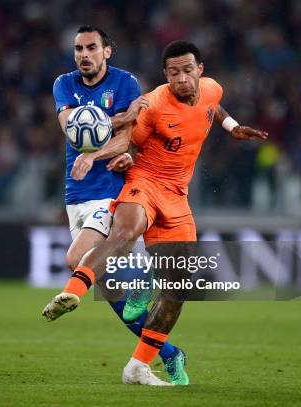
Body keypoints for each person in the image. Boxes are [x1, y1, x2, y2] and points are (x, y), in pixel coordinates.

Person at [63, 40, 268, 385]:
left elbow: (213, 106)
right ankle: (77, 291)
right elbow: (131, 139)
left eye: (188, 70)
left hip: (178, 195)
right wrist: (122, 156)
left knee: (178, 288)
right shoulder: (156, 104)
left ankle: (138, 366)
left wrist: (232, 127)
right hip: (145, 182)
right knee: (125, 232)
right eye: (174, 73)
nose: (182, 79)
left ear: (200, 70)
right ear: (165, 75)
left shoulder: (211, 88)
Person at [41, 26, 188, 385]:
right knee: (111, 294)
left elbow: (129, 134)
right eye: (79, 48)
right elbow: (72, 128)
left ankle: (142, 280)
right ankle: (168, 354)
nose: (84, 54)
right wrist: (120, 118)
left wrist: (118, 136)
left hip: (111, 191)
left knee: (77, 260)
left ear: (107, 51)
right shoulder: (64, 83)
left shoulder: (125, 83)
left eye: (92, 47)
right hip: (76, 194)